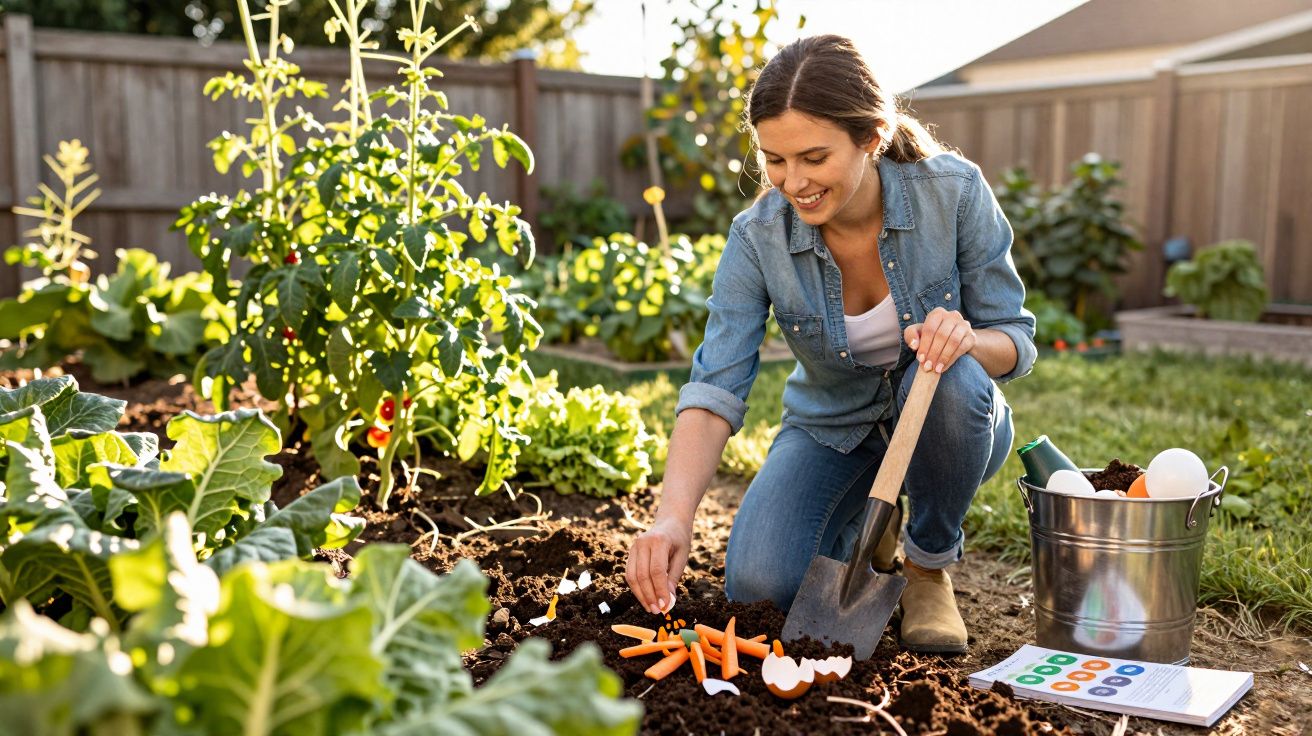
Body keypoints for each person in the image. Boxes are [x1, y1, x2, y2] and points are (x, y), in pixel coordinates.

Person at [623, 34, 1036, 654]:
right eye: (775, 160)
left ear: (871, 136)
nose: (794, 182)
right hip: (830, 429)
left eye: (814, 158)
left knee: (952, 377)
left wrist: (968, 338)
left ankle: (927, 564)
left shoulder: (952, 193)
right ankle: (868, 538)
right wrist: (672, 517)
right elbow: (714, 388)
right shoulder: (757, 238)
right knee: (760, 585)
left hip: (945, 419)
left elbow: (1016, 340)